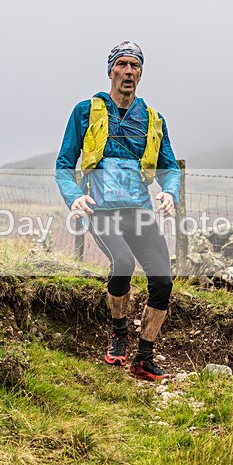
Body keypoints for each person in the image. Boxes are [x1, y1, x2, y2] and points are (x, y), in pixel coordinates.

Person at [55, 41, 181, 381]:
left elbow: (170, 167)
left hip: (139, 210)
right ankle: (119, 331)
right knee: (123, 263)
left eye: (134, 66)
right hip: (100, 209)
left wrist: (170, 192)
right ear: (110, 70)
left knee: (163, 281)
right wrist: (73, 197)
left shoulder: (153, 119)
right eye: (122, 65)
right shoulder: (86, 111)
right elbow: (64, 164)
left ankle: (144, 357)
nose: (128, 71)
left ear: (141, 73)